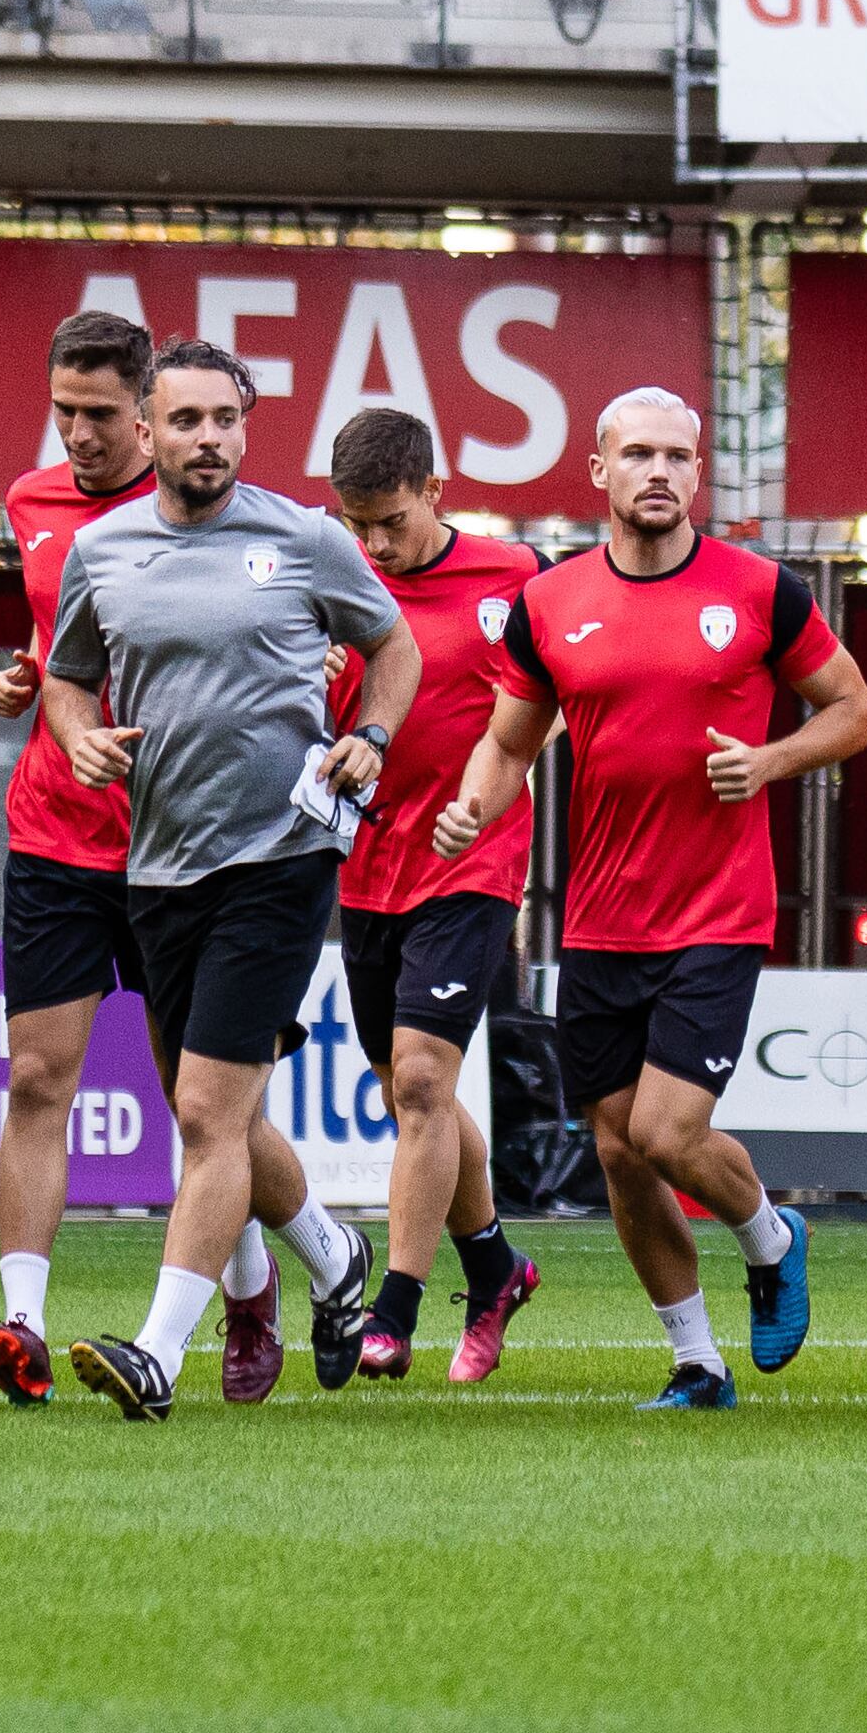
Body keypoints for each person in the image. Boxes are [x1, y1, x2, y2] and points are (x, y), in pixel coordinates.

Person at [440, 389, 867, 1410]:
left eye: (678, 456)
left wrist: (771, 761)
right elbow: (507, 744)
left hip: (718, 913)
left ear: (697, 474)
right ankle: (696, 1361)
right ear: (599, 471)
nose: (660, 473)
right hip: (599, 919)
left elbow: (854, 710)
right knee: (618, 1151)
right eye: (638, 454)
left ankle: (770, 1238)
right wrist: (469, 811)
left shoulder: (761, 591)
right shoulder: (550, 604)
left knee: (670, 1135)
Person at [45, 344, 422, 1424]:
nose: (205, 438)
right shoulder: (102, 551)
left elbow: (393, 649)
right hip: (159, 866)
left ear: (245, 428)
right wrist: (75, 737)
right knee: (211, 1111)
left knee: (208, 1109)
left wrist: (373, 736)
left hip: (281, 856)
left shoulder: (301, 537)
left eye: (224, 420)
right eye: (184, 421)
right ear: (147, 433)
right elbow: (70, 677)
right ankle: (330, 1249)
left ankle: (157, 1352)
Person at [0, 311, 197, 1409]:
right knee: (33, 1078)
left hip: (177, 846)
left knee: (198, 1101)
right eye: (64, 411)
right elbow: (58, 644)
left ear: (149, 415)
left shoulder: (203, 513)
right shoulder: (29, 501)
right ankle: (22, 1324)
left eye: (100, 414)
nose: (78, 434)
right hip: (55, 833)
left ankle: (281, 1263)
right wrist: (27, 683)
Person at [319, 407, 547, 1385]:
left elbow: (546, 713)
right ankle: (493, 1265)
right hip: (367, 865)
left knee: (419, 1082)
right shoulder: (331, 578)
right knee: (409, 1088)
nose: (373, 545)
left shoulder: (515, 575)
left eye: (391, 523)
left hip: (473, 858)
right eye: (357, 525)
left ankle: (393, 1310)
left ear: (436, 493)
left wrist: (483, 798)